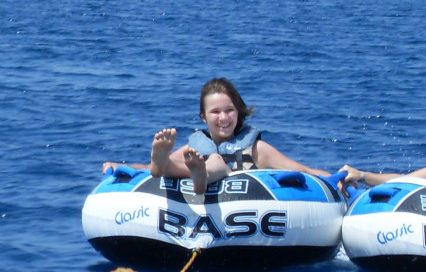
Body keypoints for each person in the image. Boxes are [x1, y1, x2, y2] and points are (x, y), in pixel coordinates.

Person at [102, 77, 331, 194]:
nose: (224, 118)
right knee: (173, 164)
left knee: (216, 162)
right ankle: (163, 164)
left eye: (229, 110)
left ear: (238, 112)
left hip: (227, 183)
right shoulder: (196, 147)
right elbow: (144, 168)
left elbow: (303, 171)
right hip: (194, 173)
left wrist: (335, 179)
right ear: (203, 117)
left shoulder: (256, 149)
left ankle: (200, 176)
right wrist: (121, 166)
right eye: (215, 112)